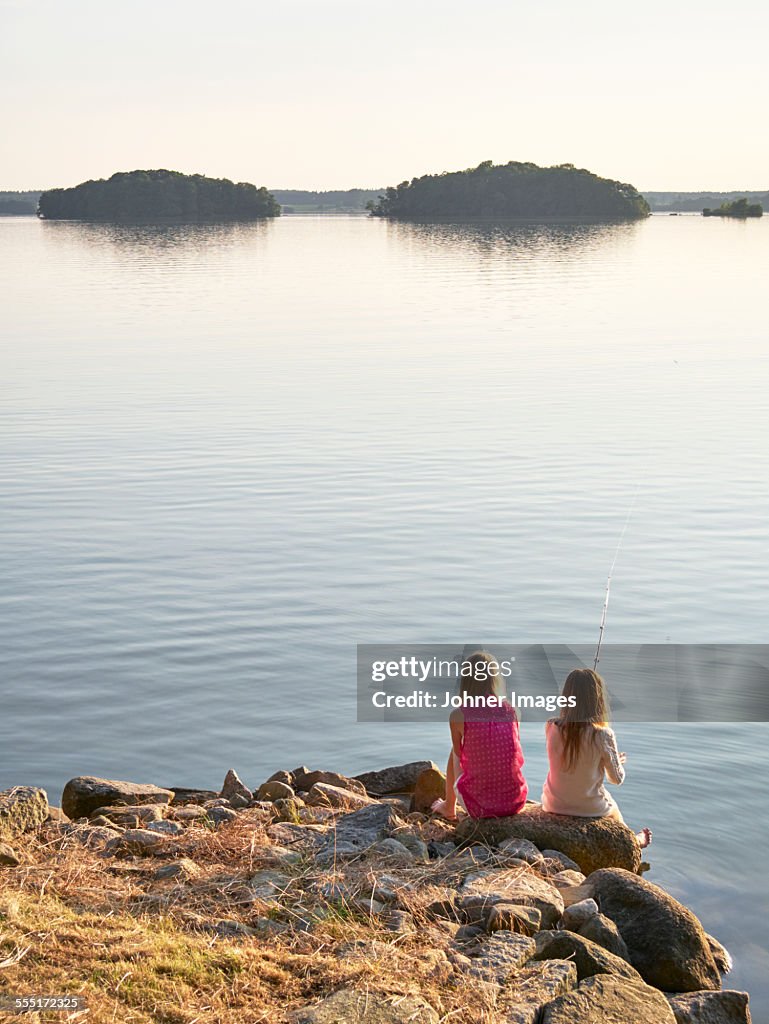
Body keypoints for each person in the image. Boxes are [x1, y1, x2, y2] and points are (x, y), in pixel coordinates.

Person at [541, 668, 652, 847]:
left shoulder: (551, 726)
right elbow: (616, 779)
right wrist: (616, 761)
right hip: (589, 807)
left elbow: (570, 760)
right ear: (598, 700)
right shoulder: (602, 734)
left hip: (553, 803)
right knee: (613, 807)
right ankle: (633, 841)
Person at [431, 650, 527, 820]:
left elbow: (460, 755)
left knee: (454, 750)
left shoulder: (458, 715)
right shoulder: (513, 711)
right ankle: (502, 790)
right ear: (495, 680)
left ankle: (448, 807)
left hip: (479, 807)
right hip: (515, 802)